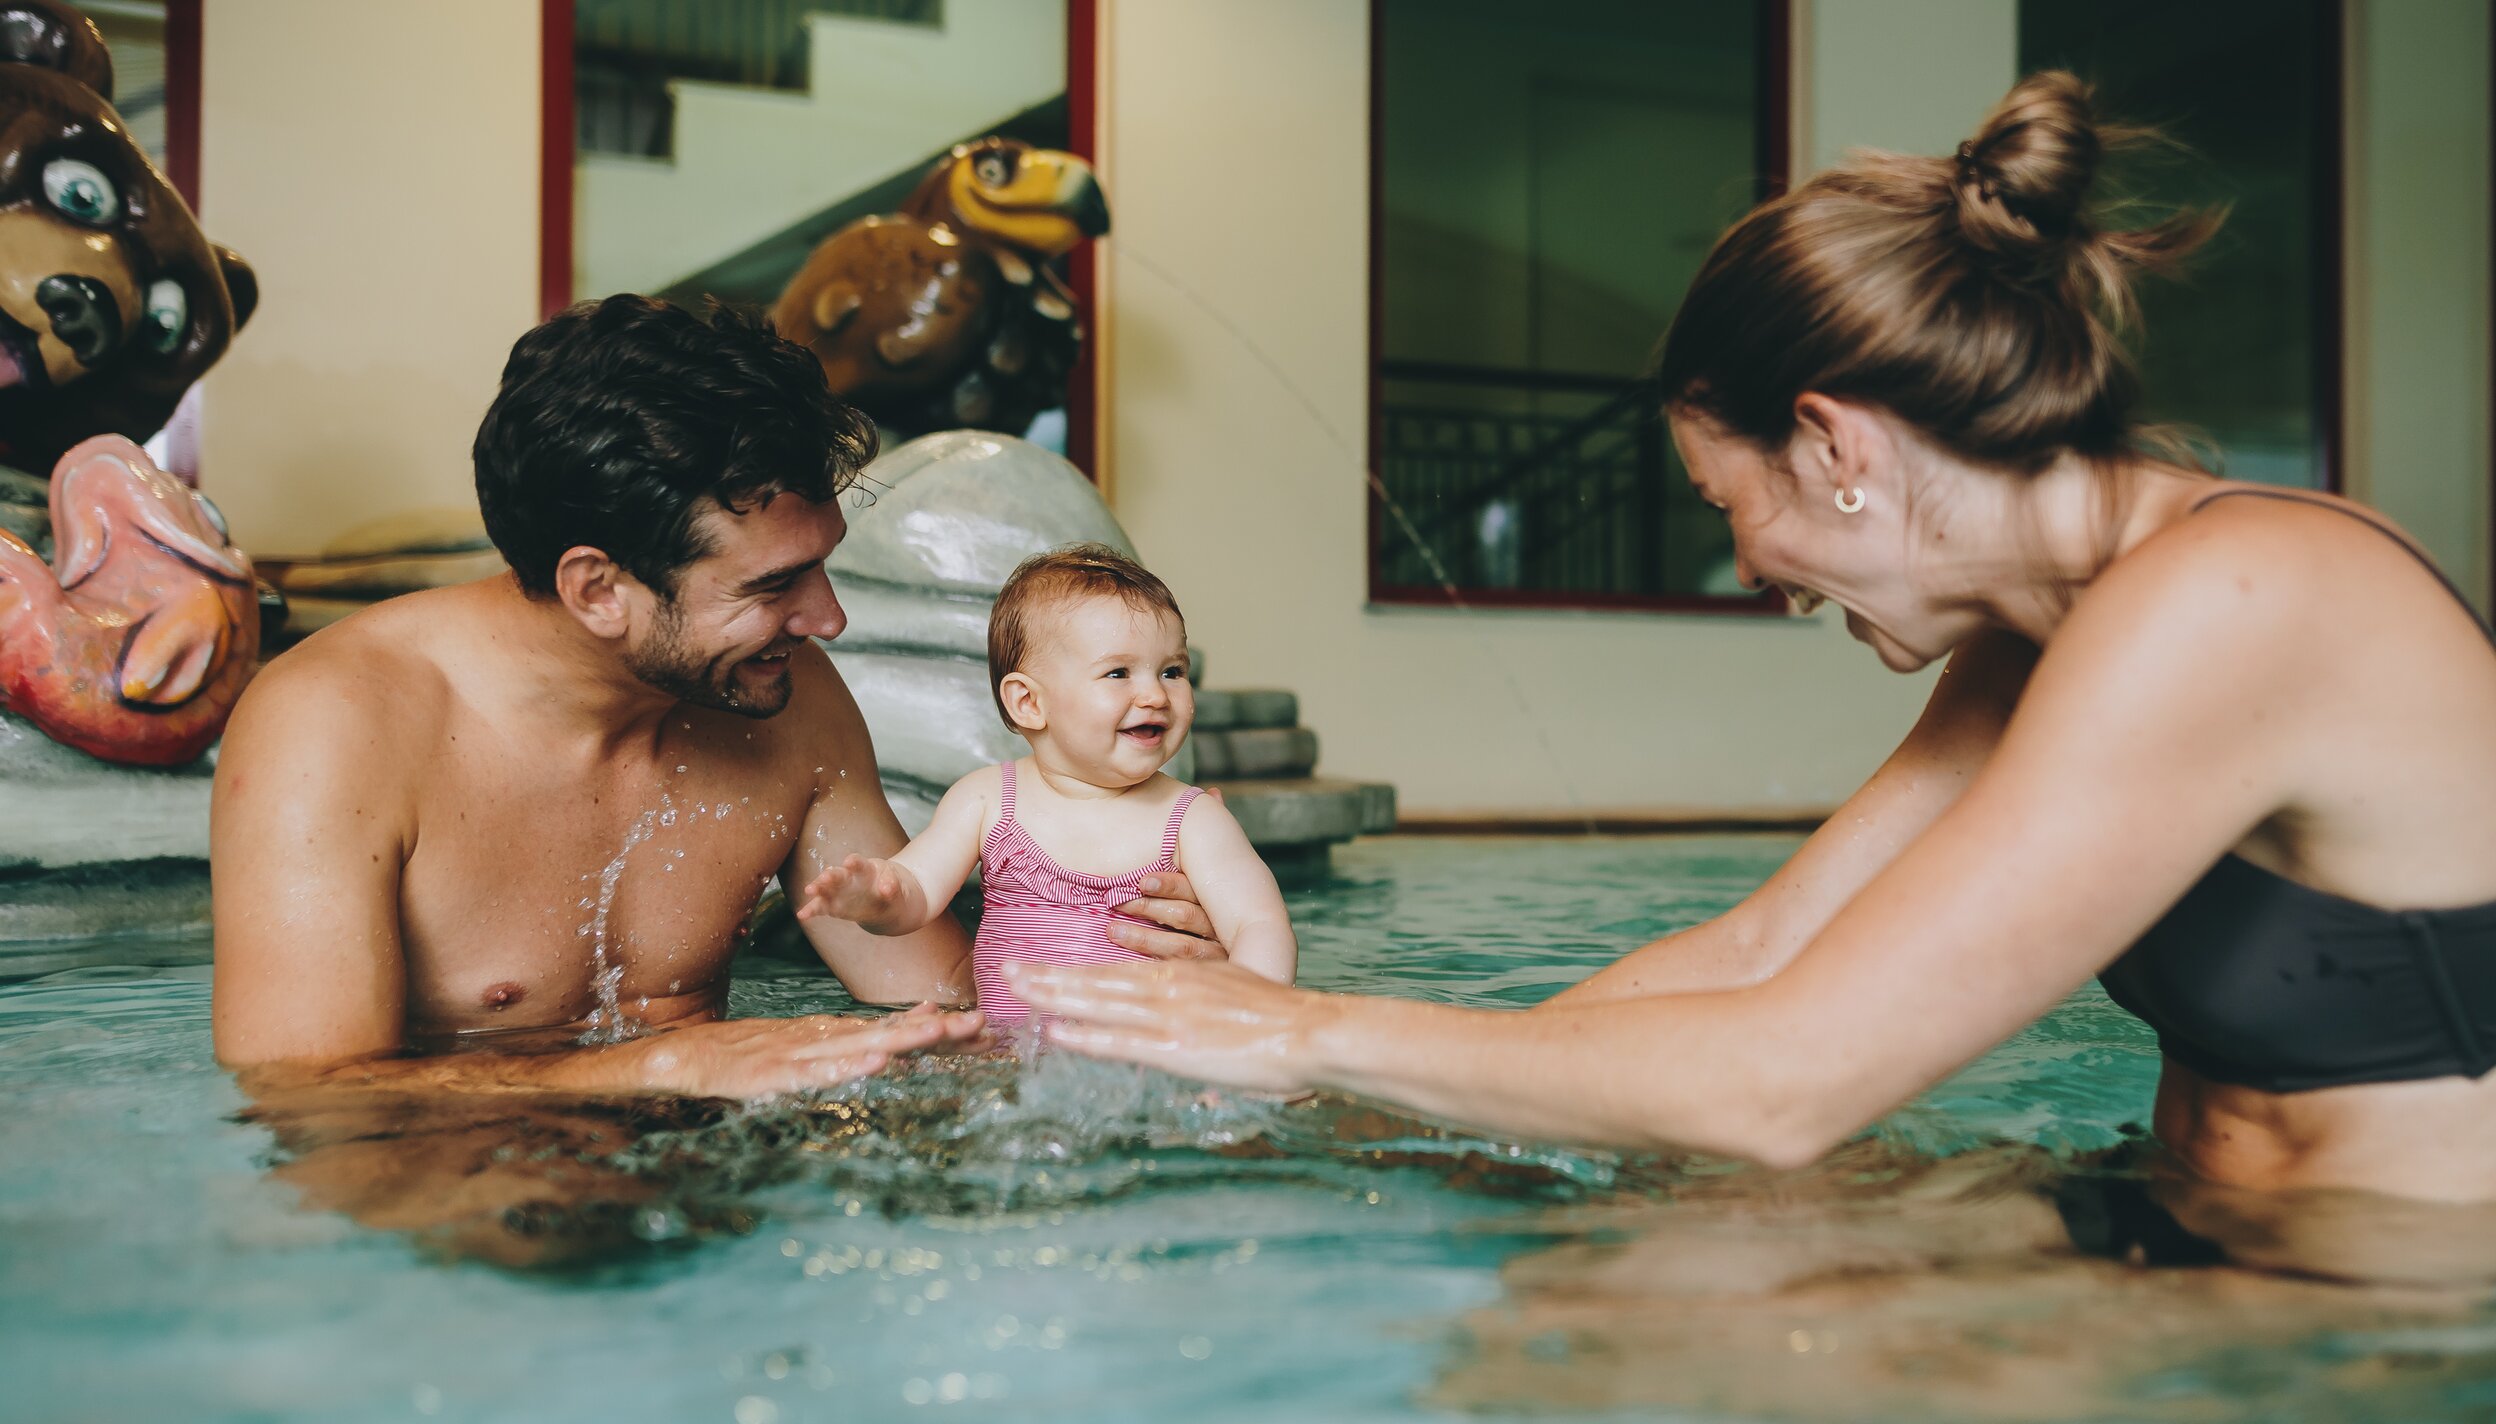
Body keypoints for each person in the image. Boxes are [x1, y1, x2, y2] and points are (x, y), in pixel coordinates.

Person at [1010, 73, 2496, 1205]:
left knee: (1592, 1324)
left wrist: (1305, 1036)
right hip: (2173, 1215)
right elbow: (1761, 949)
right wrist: (1310, 1119)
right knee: (1620, 1250)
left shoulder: (2237, 597)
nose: (1750, 567)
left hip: (2386, 1296)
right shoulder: (2045, 627)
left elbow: (1790, 1082)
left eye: (1733, 504)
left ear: (1837, 443)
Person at [211, 297, 1222, 1096]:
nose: (828, 620)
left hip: (725, 1177)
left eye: (821, 566)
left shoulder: (790, 704)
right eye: (774, 585)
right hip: (461, 1208)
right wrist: (663, 1064)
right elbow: (310, 1099)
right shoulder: (337, 727)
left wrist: (1140, 968)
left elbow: (948, 1008)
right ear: (598, 588)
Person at [799, 545, 1296, 1017]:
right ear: (1029, 703)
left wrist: (1248, 1020)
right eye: (1119, 673)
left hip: (1151, 1061)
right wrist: (875, 897)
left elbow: (1259, 925)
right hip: (1013, 1064)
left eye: (1172, 671)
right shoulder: (987, 800)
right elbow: (916, 893)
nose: (1155, 695)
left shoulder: (1192, 820)